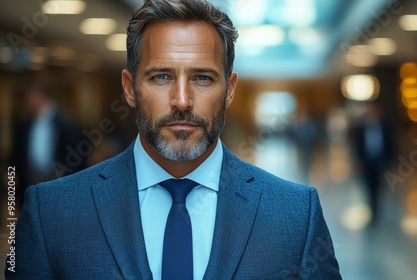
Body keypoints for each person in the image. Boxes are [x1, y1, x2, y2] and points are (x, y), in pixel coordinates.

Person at [6, 0, 342, 279]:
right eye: (162, 76)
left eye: (202, 77)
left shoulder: (296, 215)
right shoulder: (50, 213)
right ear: (129, 87)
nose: (182, 99)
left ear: (230, 90)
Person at [10, 82, 84, 211]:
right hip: (28, 183)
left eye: (30, 96)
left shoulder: (65, 125)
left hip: (56, 184)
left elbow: (75, 158)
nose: (27, 101)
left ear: (41, 96)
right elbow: (16, 156)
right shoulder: (23, 125)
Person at [354, 103, 393, 226]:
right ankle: (372, 210)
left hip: (380, 162)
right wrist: (357, 160)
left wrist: (389, 160)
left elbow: (391, 144)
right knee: (369, 187)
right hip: (367, 162)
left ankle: (377, 211)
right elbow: (357, 145)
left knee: (378, 187)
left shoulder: (385, 126)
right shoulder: (362, 128)